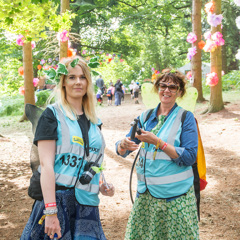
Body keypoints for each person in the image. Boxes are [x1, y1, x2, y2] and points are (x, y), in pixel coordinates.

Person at [21, 56, 115, 240]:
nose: (78, 82)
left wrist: (102, 183)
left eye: (82, 77)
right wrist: (50, 212)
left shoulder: (95, 121)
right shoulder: (52, 115)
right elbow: (46, 165)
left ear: (88, 81)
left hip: (87, 205)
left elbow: (91, 159)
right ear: (63, 82)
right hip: (57, 202)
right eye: (72, 77)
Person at [116, 68, 199, 239]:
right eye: (163, 85)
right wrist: (122, 145)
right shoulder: (146, 116)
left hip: (175, 198)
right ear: (157, 88)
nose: (167, 90)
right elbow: (125, 147)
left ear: (180, 92)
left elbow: (190, 157)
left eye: (172, 87)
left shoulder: (186, 117)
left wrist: (158, 143)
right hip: (146, 197)